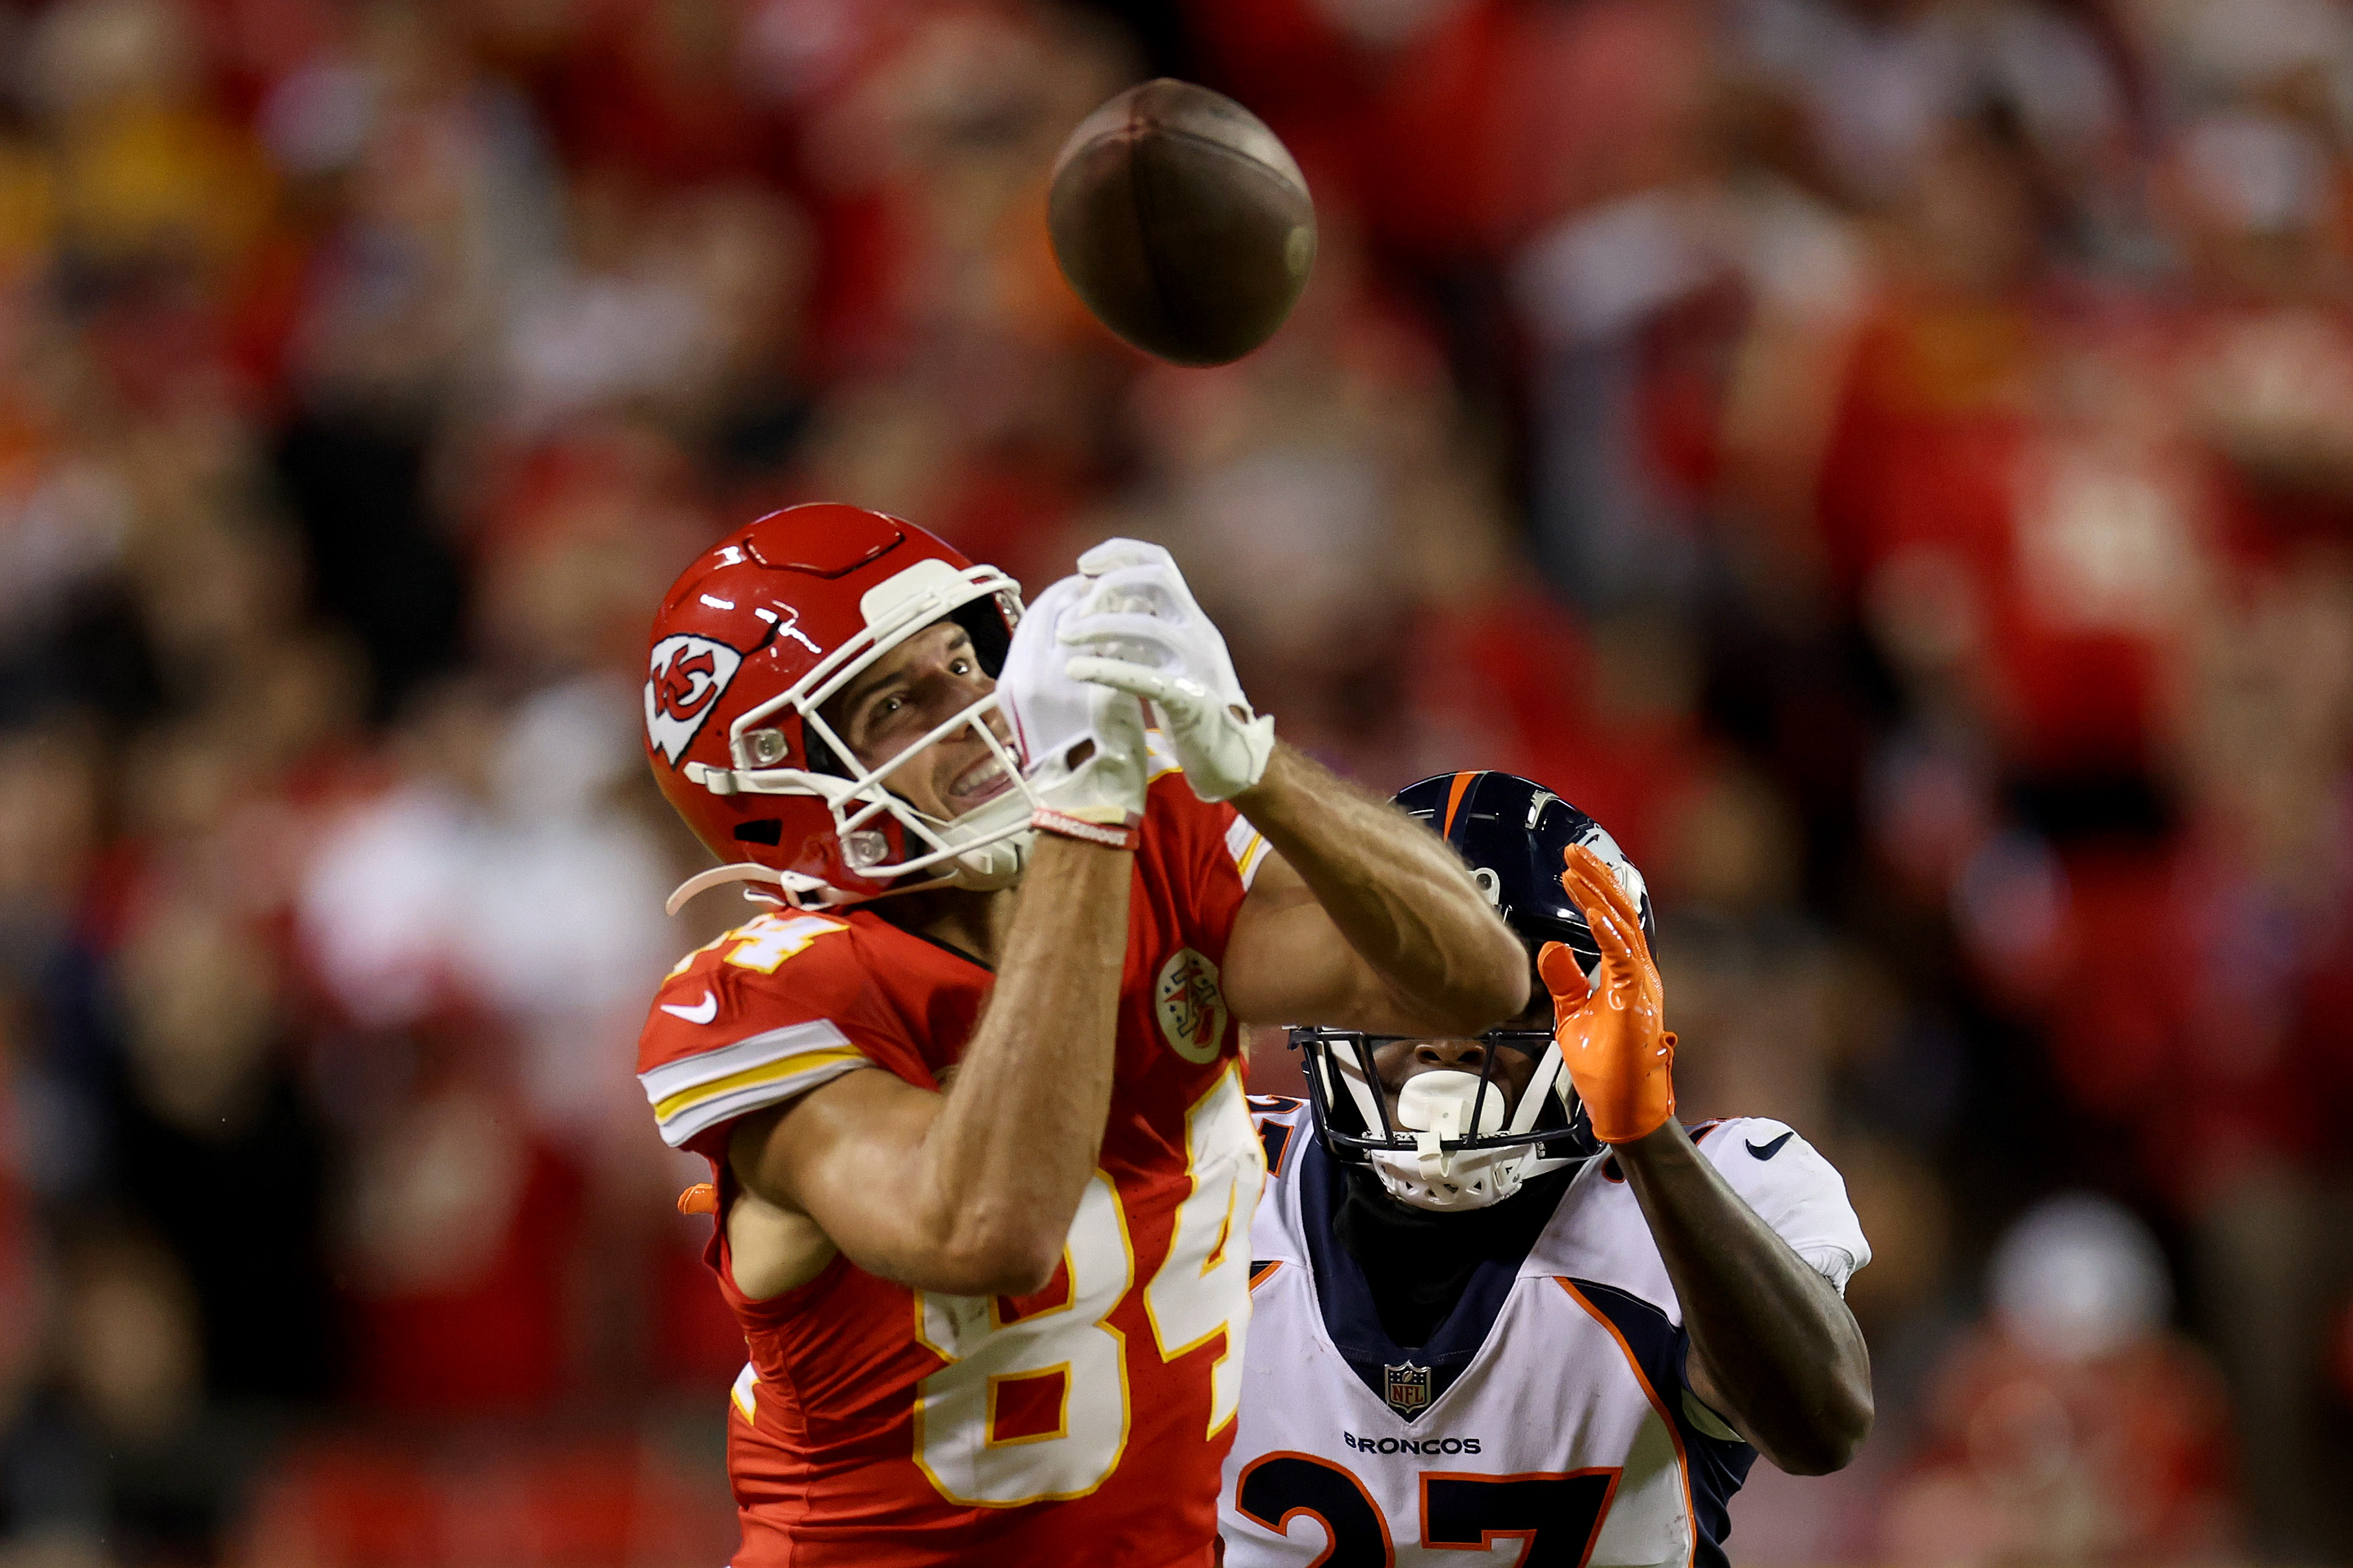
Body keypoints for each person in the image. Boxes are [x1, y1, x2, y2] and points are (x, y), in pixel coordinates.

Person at [632, 503, 1530, 1568]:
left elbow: (1470, 980)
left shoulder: (1140, 838)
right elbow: (984, 1228)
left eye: (963, 659)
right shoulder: (768, 996)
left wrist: (1247, 757)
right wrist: (1085, 817)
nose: (968, 708)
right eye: (890, 701)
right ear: (776, 784)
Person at [1222, 769, 1874, 1567]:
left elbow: (1819, 1426)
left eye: (1511, 992)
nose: (1449, 1035)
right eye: (1406, 984)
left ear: (1606, 1003)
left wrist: (1647, 1139)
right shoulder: (1220, 1176)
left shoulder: (1711, 1188)